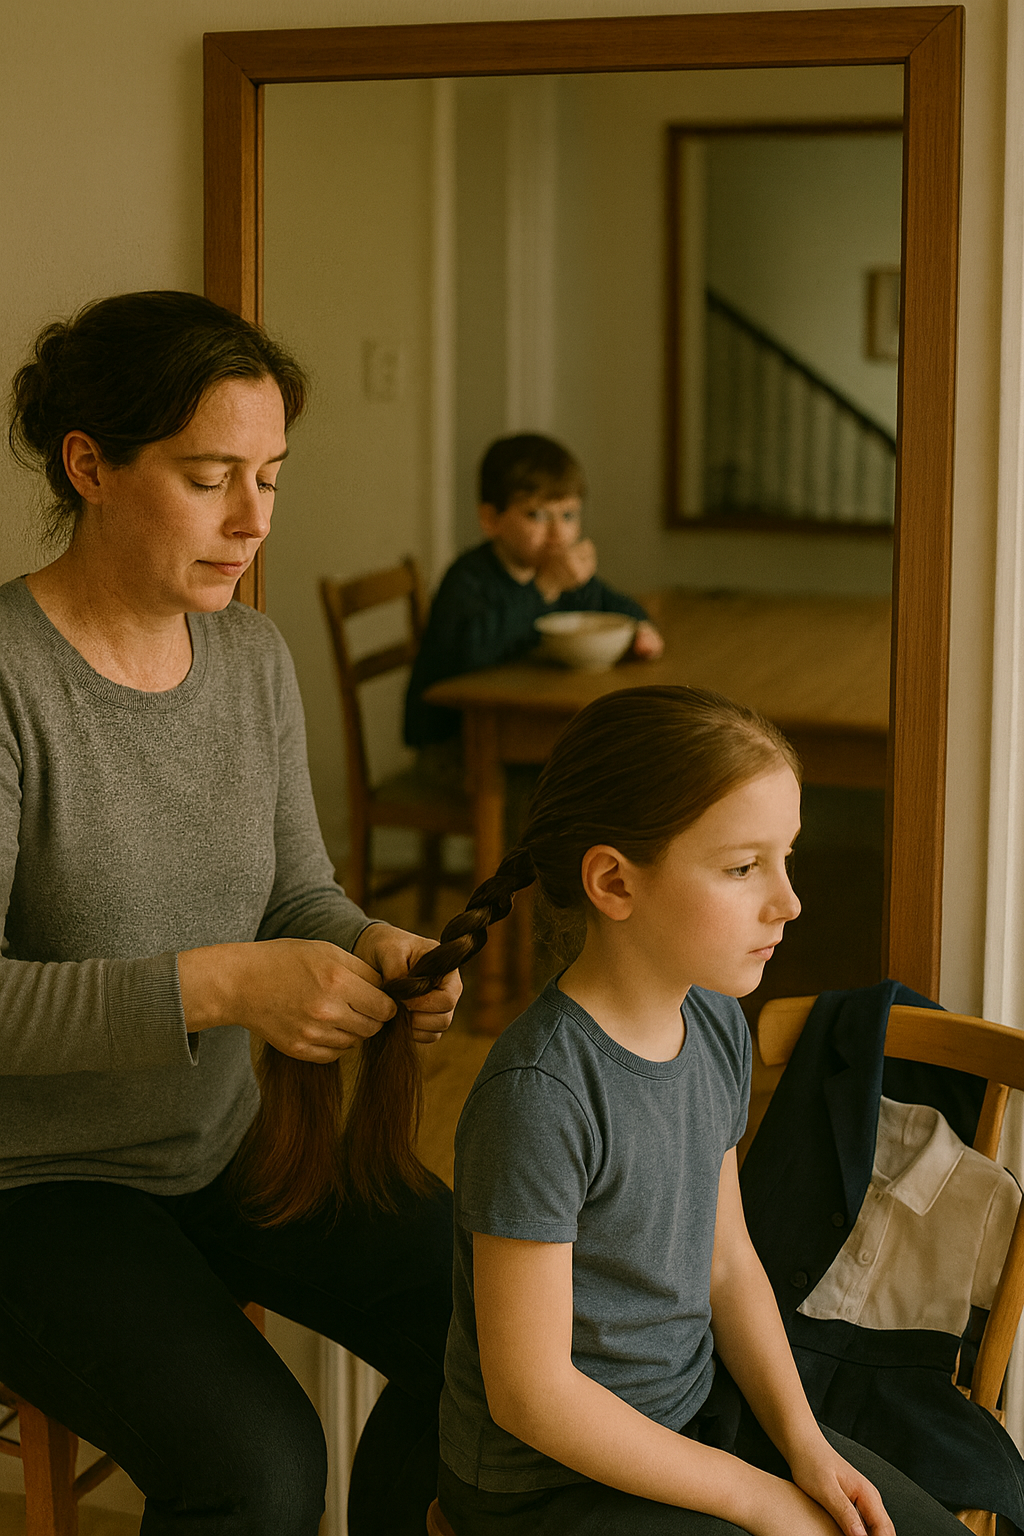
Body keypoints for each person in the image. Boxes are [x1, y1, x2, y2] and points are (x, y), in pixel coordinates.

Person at [0, 290, 462, 1536]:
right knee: (260, 1468)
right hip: (32, 1190)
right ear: (90, 464)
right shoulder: (7, 681)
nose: (254, 521)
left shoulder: (250, 659)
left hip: (220, 1139)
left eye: (269, 476)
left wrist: (375, 944)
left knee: (491, 1323)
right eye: (211, 478)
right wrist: (221, 985)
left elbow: (294, 890)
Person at [397, 685, 967, 1535]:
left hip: (690, 1418)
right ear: (615, 883)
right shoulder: (541, 1096)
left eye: (786, 857)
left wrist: (804, 1446)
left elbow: (728, 1262)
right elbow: (531, 1395)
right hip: (545, 1488)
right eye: (743, 868)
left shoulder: (712, 1022)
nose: (789, 901)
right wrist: (754, 1495)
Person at [403, 432, 665, 762]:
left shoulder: (559, 575)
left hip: (523, 726)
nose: (558, 533)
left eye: (568, 515)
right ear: (490, 520)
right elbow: (468, 651)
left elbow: (611, 604)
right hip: (455, 746)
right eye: (536, 515)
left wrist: (641, 628)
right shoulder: (468, 577)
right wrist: (544, 588)